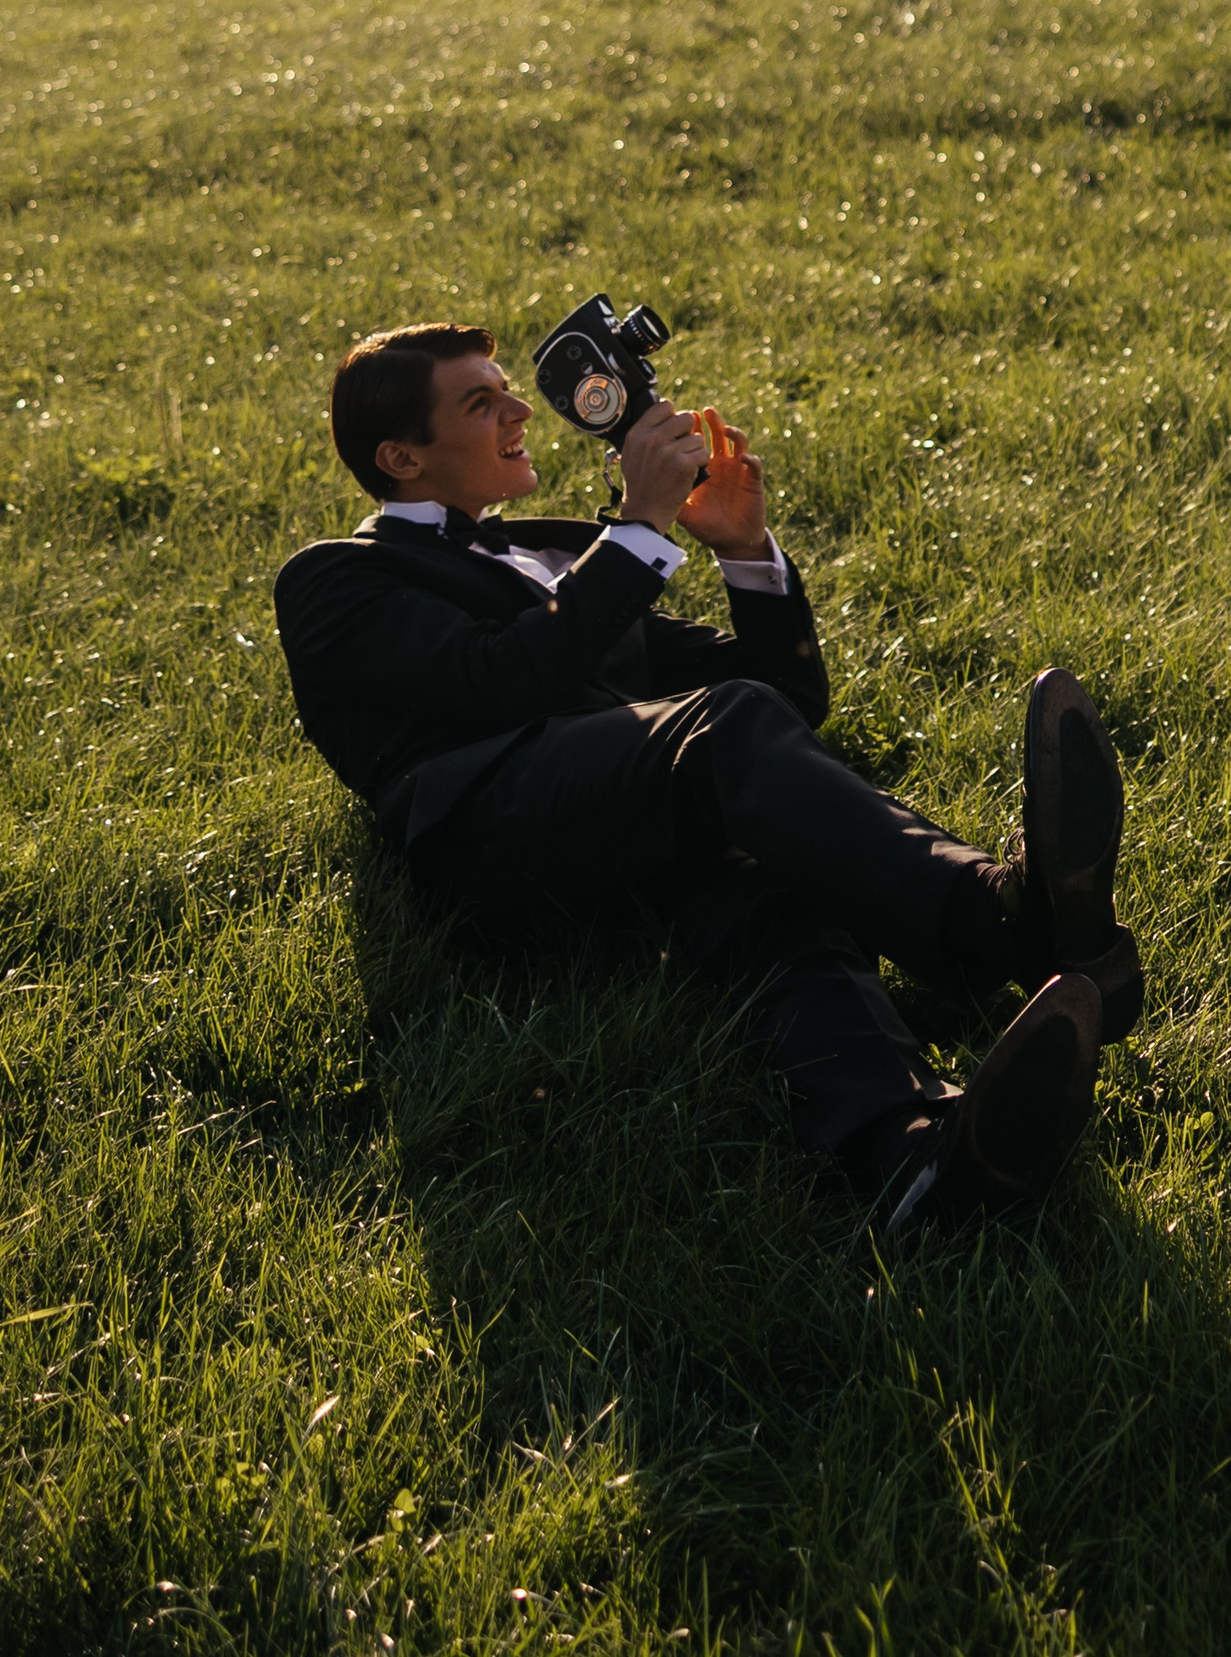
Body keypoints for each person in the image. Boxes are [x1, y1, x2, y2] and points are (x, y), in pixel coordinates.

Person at [277, 323, 1143, 1236]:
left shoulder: (557, 555)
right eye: (479, 402)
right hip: (489, 840)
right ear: (400, 456)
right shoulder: (336, 578)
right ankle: (1009, 923)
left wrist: (743, 549)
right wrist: (637, 529)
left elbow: (783, 699)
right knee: (721, 732)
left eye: (508, 390)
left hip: (626, 826)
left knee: (766, 892)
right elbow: (499, 681)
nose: (519, 410)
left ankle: (921, 1163)